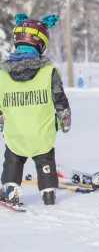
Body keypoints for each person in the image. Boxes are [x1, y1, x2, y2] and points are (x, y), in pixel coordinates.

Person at [0, 13, 71, 206]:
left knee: (13, 158)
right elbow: (60, 100)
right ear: (41, 45)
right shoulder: (49, 73)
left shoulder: (2, 76)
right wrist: (65, 119)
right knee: (45, 158)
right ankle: (48, 192)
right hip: (42, 133)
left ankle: (10, 188)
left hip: (15, 134)